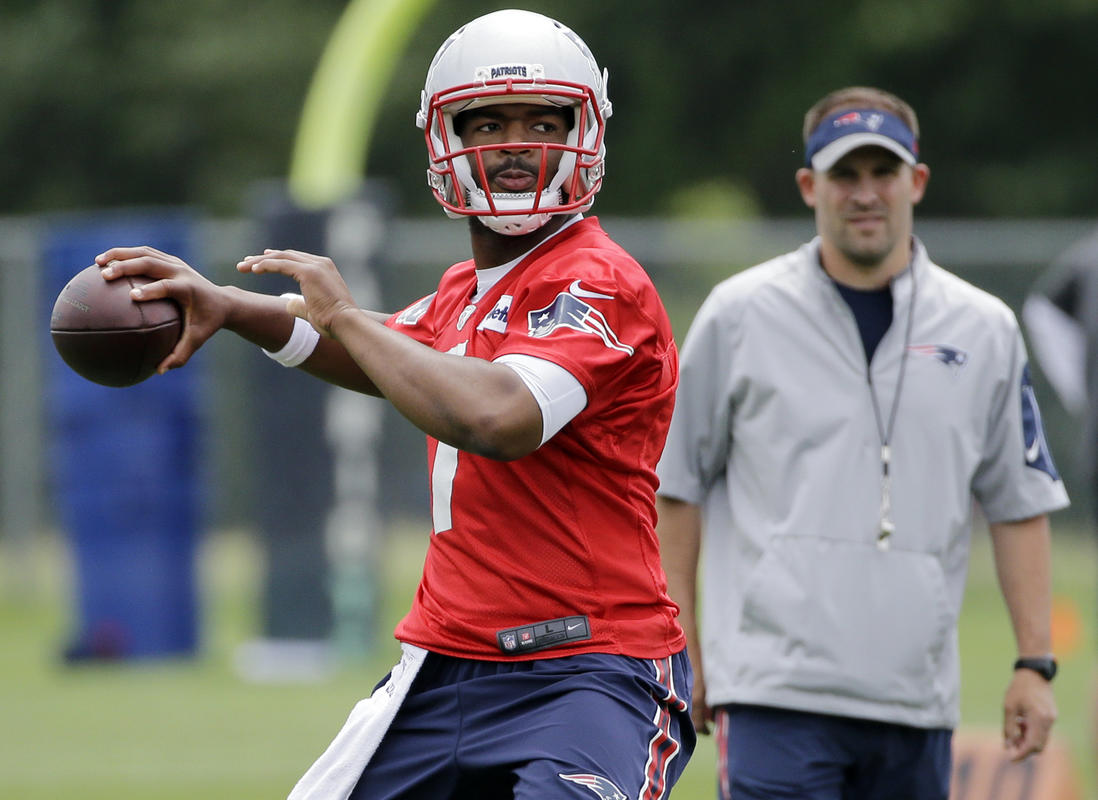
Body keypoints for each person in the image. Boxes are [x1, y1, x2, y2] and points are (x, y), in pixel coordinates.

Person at [94, 10, 693, 800]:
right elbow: (392, 348)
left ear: (586, 129)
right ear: (444, 139)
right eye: (488, 121)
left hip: (586, 671)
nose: (516, 141)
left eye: (543, 119)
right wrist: (233, 306)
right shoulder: (463, 295)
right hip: (444, 666)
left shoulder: (599, 281)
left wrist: (340, 315)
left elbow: (497, 415)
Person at [655, 86, 1069, 800]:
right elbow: (675, 489)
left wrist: (1035, 662)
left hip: (915, 701)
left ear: (918, 181)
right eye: (846, 174)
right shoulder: (739, 315)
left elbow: (1018, 501)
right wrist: (680, 649)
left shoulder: (985, 329)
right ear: (810, 186)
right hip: (773, 694)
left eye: (884, 172)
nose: (866, 193)